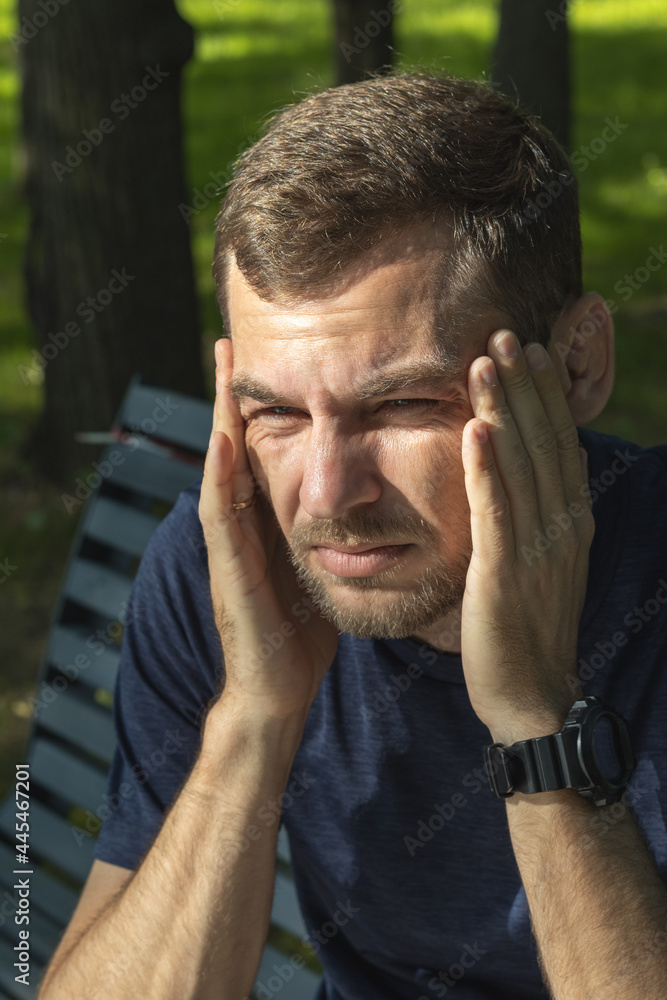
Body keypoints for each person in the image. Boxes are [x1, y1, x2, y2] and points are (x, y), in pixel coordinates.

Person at [38, 72, 667, 1000]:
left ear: (575, 364)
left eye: (404, 403)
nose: (327, 494)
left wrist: (537, 717)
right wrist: (254, 716)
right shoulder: (232, 566)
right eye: (277, 414)